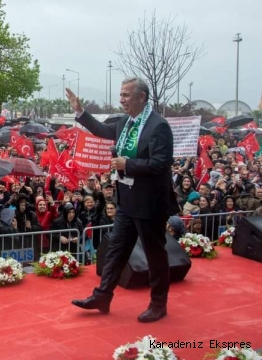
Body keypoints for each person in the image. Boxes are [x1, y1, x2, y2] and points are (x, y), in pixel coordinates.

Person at [66, 78, 178, 323]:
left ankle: (159, 304)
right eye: (121, 94)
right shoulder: (125, 122)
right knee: (116, 250)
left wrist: (128, 164)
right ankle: (102, 296)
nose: (121, 99)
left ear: (142, 97)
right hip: (126, 200)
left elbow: (161, 164)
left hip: (150, 203)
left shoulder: (158, 126)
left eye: (126, 95)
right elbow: (102, 130)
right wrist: (79, 111)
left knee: (154, 254)